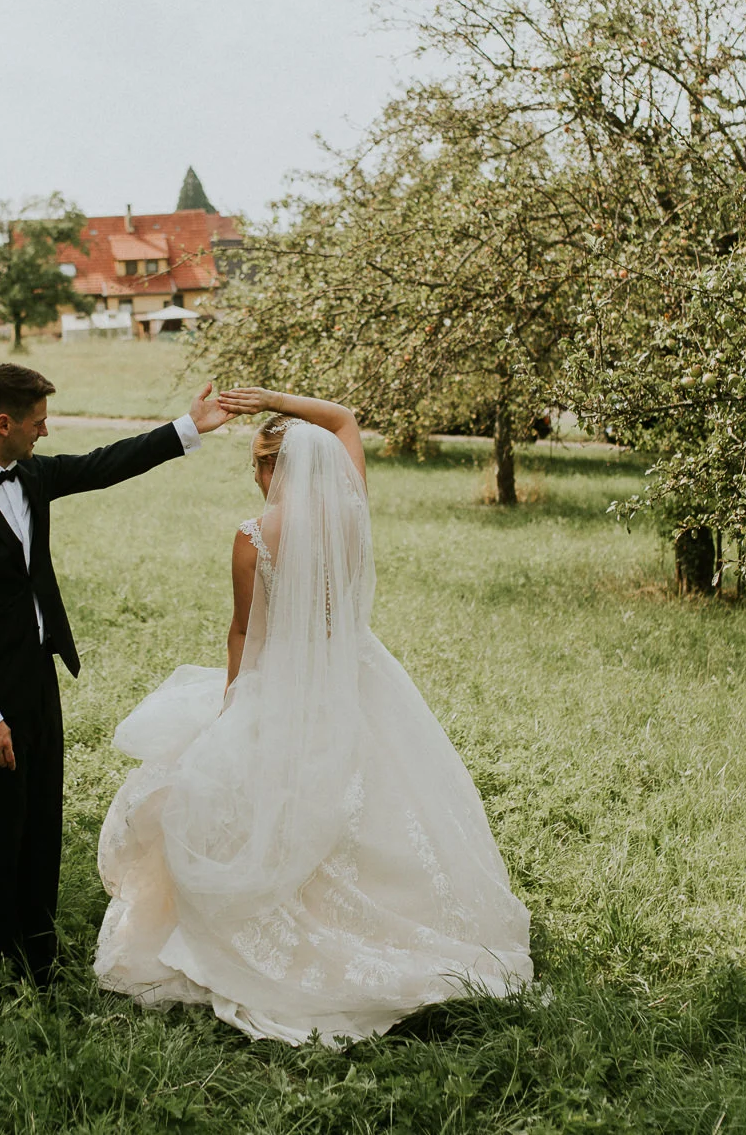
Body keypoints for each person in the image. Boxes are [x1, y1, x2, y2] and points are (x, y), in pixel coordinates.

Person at [94, 387, 533, 1044]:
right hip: (358, 679)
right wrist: (272, 399)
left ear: (272, 470)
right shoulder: (351, 510)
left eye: (256, 464)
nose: (255, 476)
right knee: (382, 802)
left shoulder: (253, 537)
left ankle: (289, 934)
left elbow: (245, 631)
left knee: (264, 801)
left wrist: (236, 704)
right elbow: (346, 418)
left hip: (285, 682)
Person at [0, 363, 231, 984]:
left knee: (41, 817)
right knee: (0, 823)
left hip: (38, 673)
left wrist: (192, 427)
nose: (44, 432)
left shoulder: (31, 475)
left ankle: (40, 951)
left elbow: (105, 464)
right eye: (36, 422)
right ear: (3, 422)